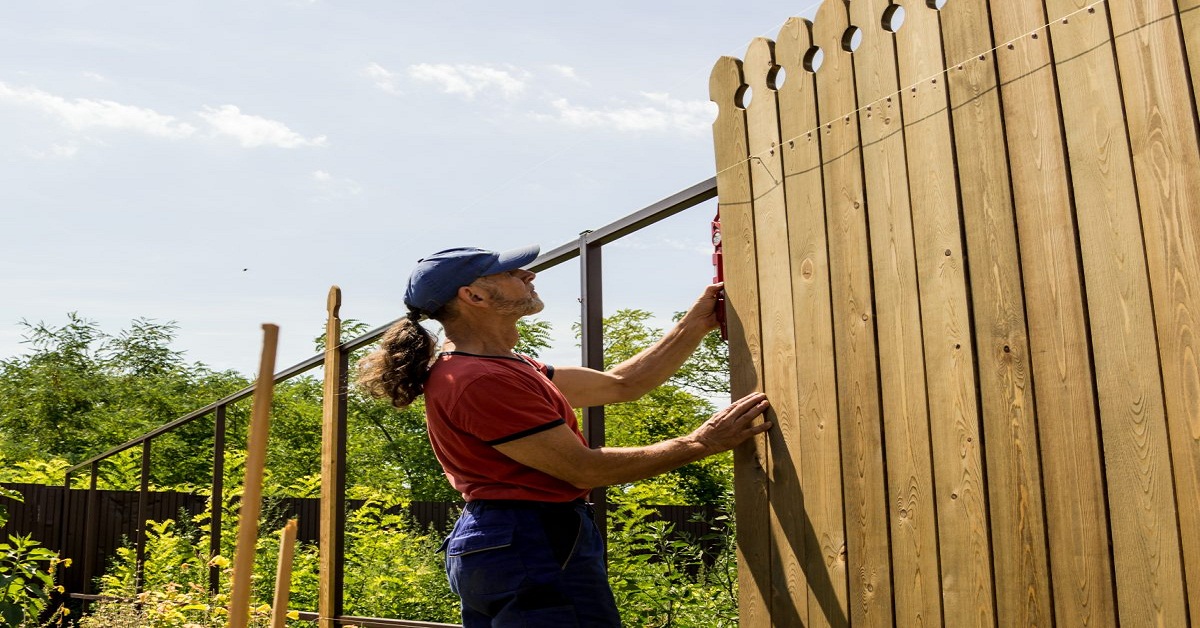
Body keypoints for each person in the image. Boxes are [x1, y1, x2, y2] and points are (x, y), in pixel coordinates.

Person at [356, 244, 771, 627]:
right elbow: (582, 468)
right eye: (510, 272)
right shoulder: (479, 379)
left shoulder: (506, 367)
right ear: (474, 297)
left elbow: (620, 384)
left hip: (514, 539)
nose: (529, 274)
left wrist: (694, 324)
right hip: (528, 539)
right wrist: (702, 443)